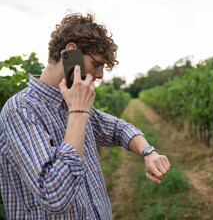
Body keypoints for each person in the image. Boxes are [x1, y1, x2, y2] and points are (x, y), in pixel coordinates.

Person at [0, 12, 170, 219]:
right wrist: (78, 113)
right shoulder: (21, 110)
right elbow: (55, 196)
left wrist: (148, 153)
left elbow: (119, 129)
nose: (100, 75)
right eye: (97, 64)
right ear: (72, 54)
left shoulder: (69, 102)